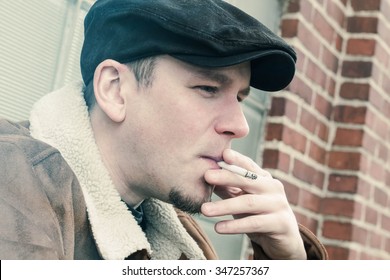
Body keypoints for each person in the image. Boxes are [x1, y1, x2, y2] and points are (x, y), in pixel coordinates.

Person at [0, 0, 328, 260]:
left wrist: (288, 260)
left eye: (240, 98)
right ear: (115, 89)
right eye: (208, 88)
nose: (240, 126)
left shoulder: (173, 230)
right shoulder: (12, 177)